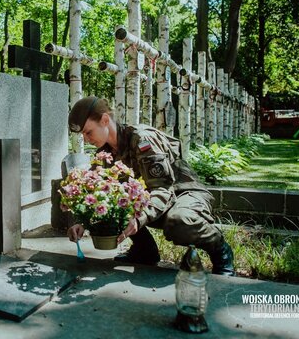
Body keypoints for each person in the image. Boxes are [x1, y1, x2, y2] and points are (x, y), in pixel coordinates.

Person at [66, 96, 235, 276]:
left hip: (183, 193)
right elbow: (96, 191)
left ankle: (221, 251)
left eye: (88, 132)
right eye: (82, 135)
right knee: (111, 206)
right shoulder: (105, 154)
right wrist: (81, 222)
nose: (85, 139)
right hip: (155, 199)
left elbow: (164, 189)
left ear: (105, 120)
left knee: (179, 221)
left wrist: (139, 219)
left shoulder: (142, 140)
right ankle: (145, 252)